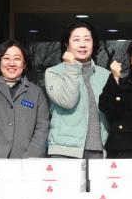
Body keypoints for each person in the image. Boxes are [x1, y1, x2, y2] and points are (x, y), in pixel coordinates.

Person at [0, 40, 49, 158]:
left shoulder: (36, 93)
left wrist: (31, 157)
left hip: (22, 158)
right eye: (6, 58)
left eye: (17, 59)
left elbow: (42, 128)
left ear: (24, 64)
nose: (11, 63)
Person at [44, 22, 110, 159]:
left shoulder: (105, 75)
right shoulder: (54, 72)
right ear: (67, 45)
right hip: (64, 151)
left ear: (93, 43)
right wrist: (70, 67)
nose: (82, 44)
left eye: (87, 39)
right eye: (76, 39)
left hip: (98, 150)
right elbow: (68, 101)